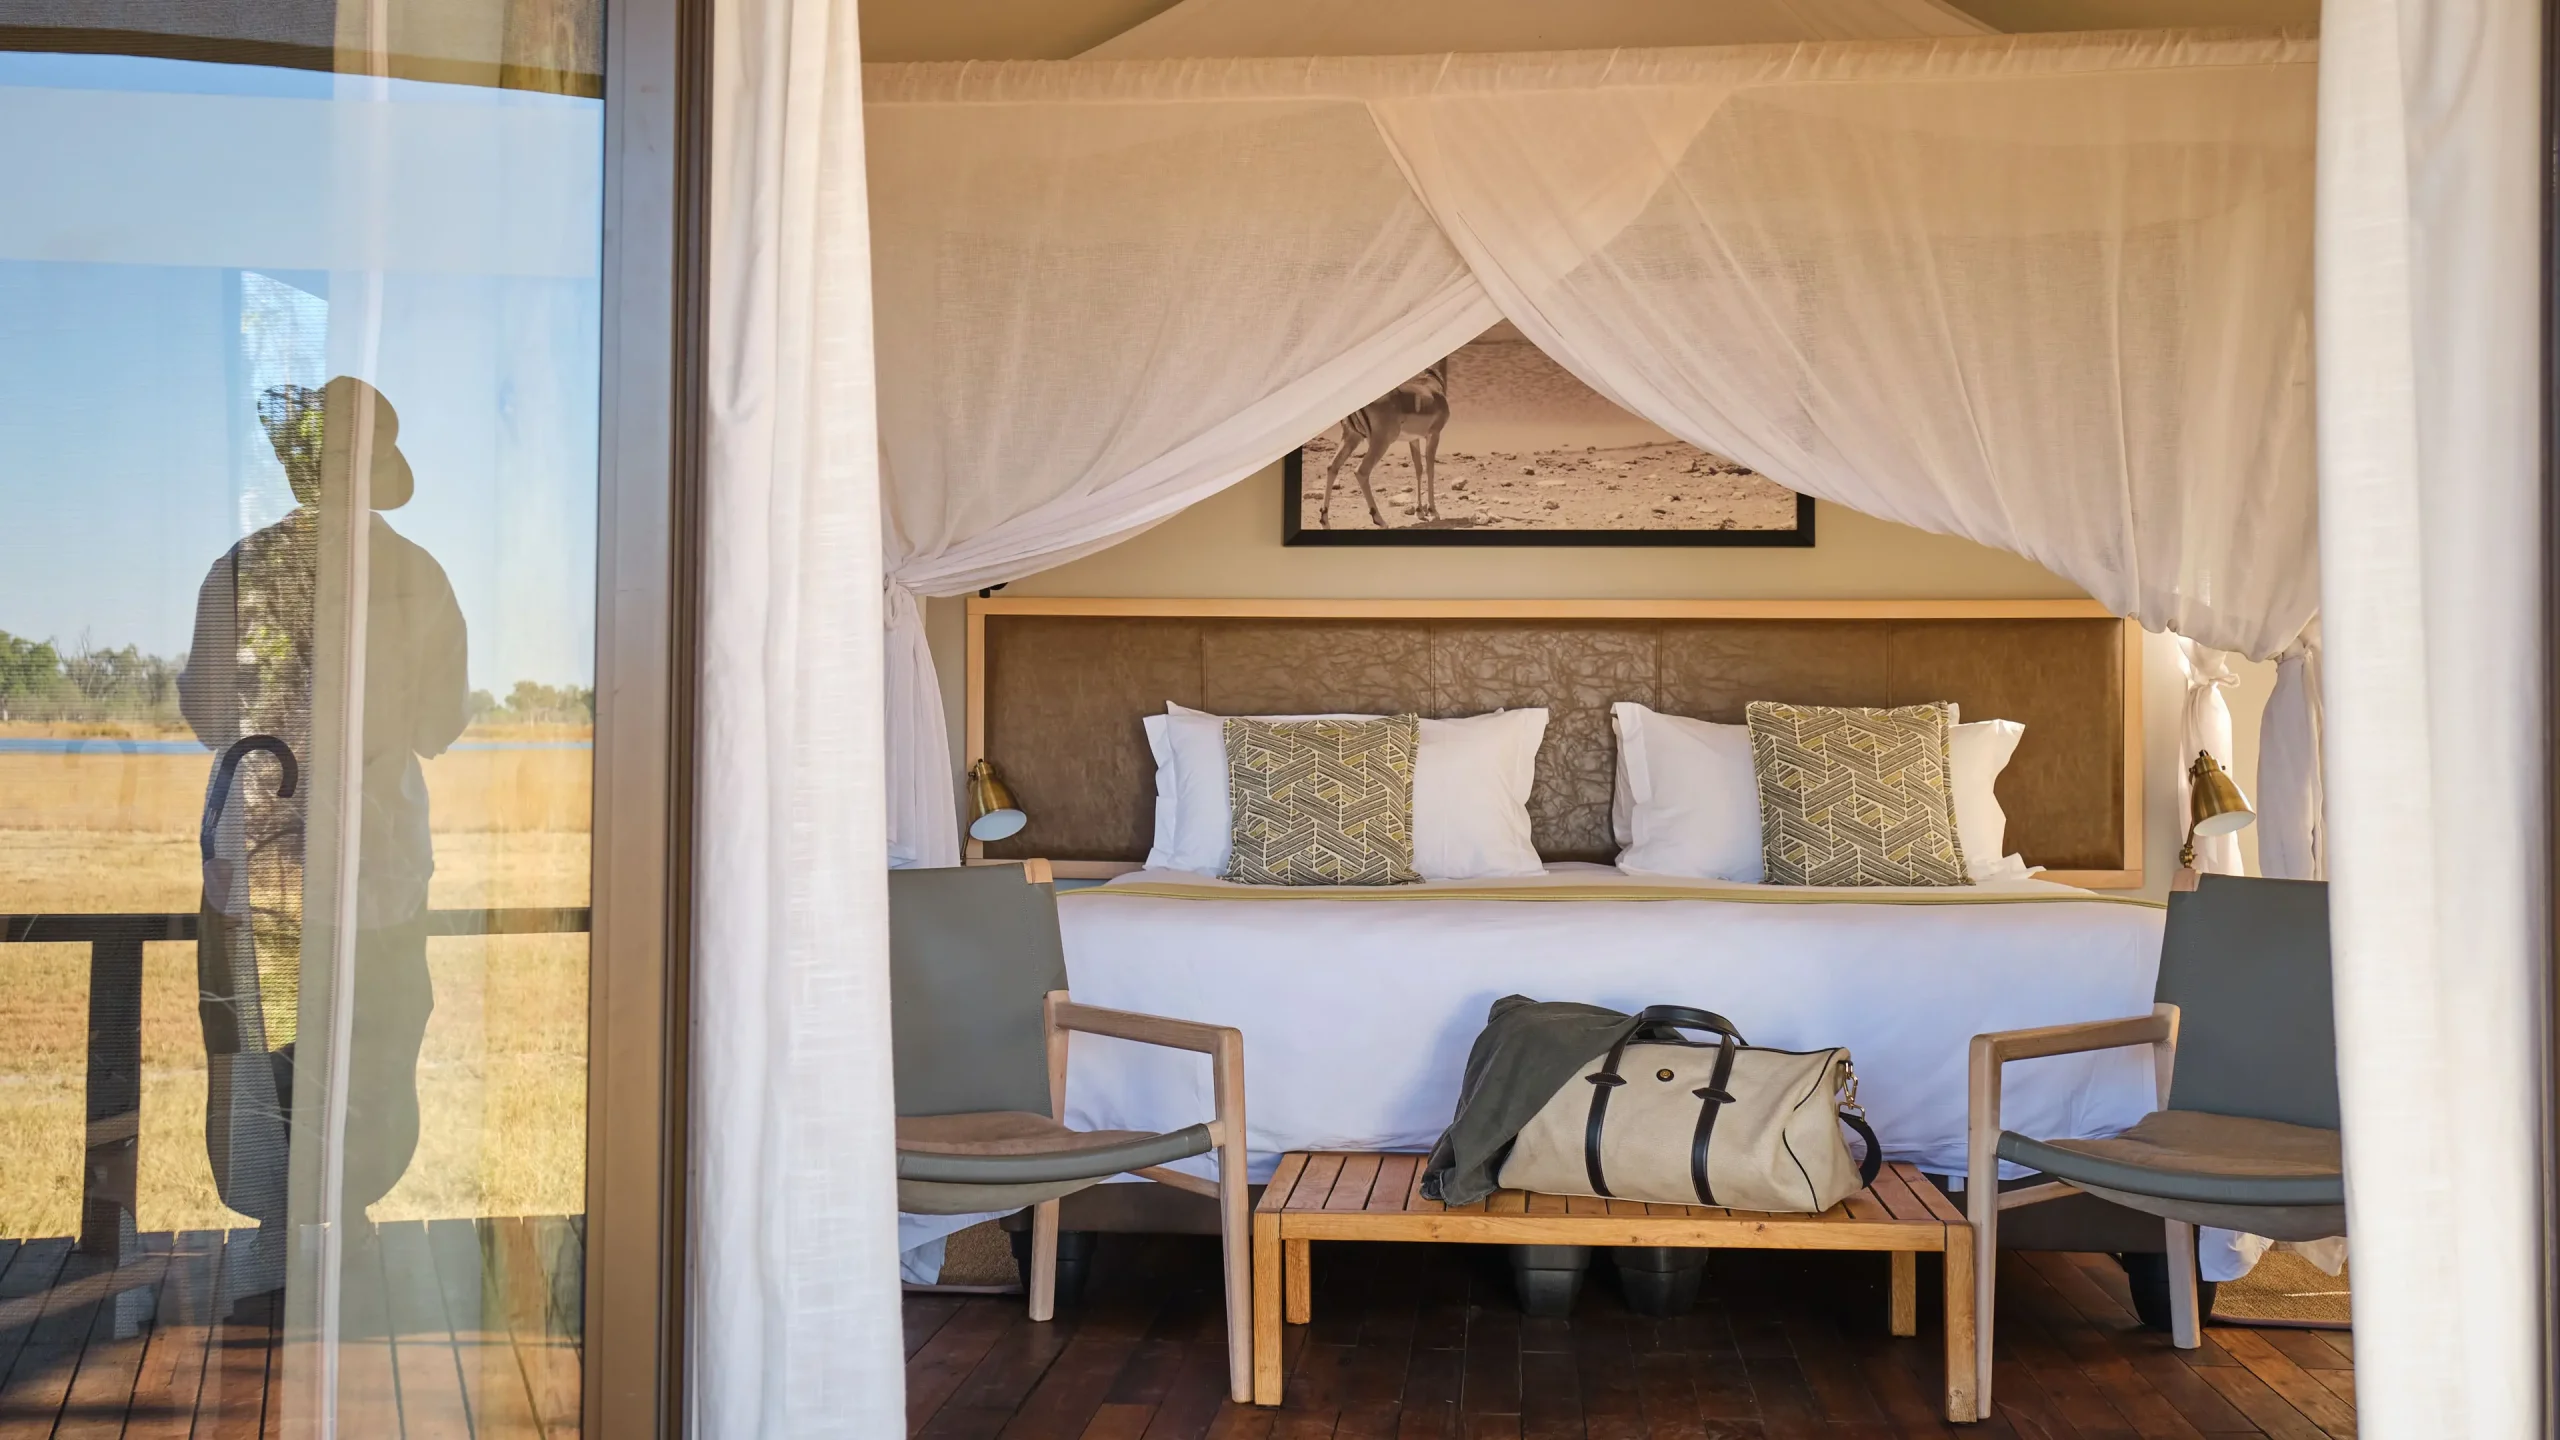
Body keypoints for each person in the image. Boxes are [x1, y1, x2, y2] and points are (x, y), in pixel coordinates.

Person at [179, 377, 467, 1295]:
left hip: (259, 866)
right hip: (374, 866)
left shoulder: (242, 566)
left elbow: (206, 712)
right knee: (371, 1046)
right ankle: (349, 1228)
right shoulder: (419, 575)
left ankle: (277, 1233)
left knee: (255, 1046)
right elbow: (442, 722)